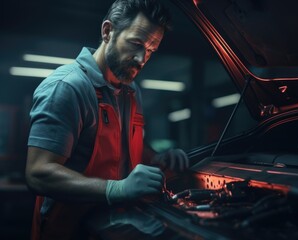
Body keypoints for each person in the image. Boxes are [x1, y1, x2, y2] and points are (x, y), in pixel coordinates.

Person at [25, 0, 189, 239]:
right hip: (69, 230)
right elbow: (38, 173)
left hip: (114, 225)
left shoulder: (131, 91)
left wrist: (158, 159)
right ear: (107, 31)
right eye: (136, 44)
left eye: (151, 50)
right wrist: (117, 189)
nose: (142, 59)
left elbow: (124, 149)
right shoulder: (67, 88)